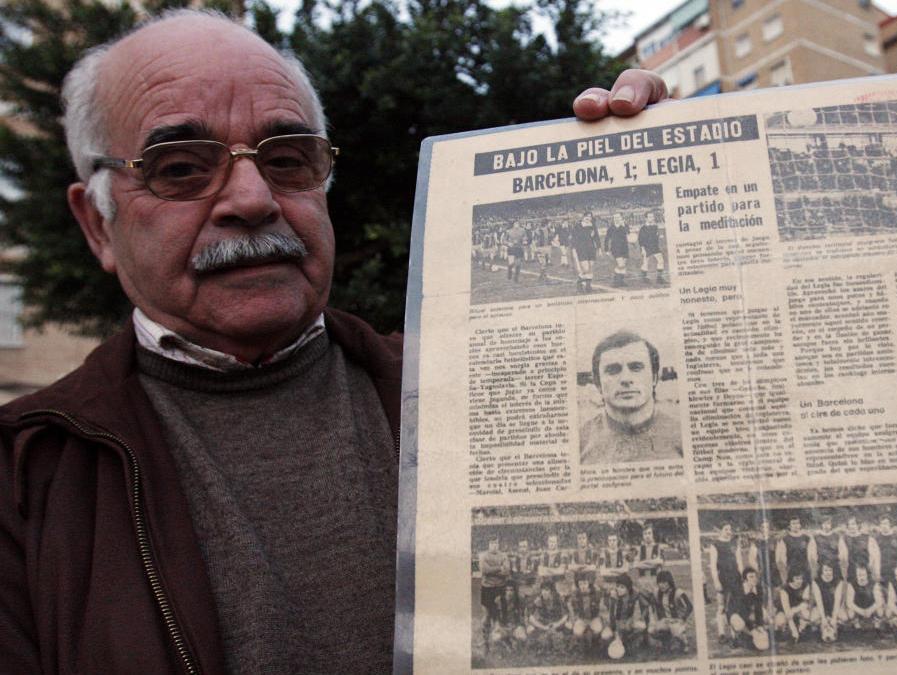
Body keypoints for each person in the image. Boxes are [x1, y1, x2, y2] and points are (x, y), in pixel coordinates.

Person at [0, 8, 669, 671]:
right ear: (96, 223)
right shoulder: (22, 476)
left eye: (288, 159)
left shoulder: (463, 382)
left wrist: (679, 153)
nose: (252, 198)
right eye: (180, 168)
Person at [579, 330, 683, 464]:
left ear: (654, 377)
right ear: (598, 382)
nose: (626, 379)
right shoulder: (580, 442)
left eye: (636, 368)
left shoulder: (682, 436)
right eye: (613, 370)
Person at [707, 522, 742, 640]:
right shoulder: (715, 545)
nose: (729, 532)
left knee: (734, 606)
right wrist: (716, 582)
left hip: (735, 578)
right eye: (726, 529)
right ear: (720, 530)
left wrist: (742, 577)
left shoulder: (734, 543)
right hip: (723, 578)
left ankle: (734, 634)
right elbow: (713, 566)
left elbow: (739, 562)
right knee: (722, 606)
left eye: (730, 529)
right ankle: (721, 633)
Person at [648, 569, 692, 651]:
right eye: (660, 583)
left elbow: (690, 606)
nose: (662, 585)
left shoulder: (678, 592)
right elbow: (654, 605)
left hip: (676, 620)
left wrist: (683, 618)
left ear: (669, 582)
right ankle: (667, 641)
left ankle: (684, 642)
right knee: (652, 630)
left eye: (664, 583)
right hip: (666, 620)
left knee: (677, 631)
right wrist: (657, 620)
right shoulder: (657, 593)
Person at [479, 537, 512, 641]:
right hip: (487, 588)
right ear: (488, 544)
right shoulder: (483, 555)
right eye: (492, 543)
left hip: (500, 587)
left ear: (498, 544)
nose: (494, 545)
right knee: (487, 614)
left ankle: (502, 637)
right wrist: (499, 568)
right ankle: (485, 639)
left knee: (501, 613)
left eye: (496, 543)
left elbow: (506, 571)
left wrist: (492, 571)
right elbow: (484, 570)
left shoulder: (503, 555)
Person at [774, 567, 814, 643]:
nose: (800, 581)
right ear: (791, 578)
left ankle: (801, 626)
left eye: (801, 578)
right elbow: (787, 612)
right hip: (785, 611)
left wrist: (794, 610)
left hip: (798, 610)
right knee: (780, 621)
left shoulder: (805, 585)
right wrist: (794, 631)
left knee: (807, 615)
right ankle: (785, 629)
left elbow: (805, 604)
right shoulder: (784, 589)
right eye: (797, 578)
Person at [571, 211, 600, 292]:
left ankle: (588, 286)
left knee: (590, 268)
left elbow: (596, 237)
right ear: (583, 217)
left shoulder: (593, 226)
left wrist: (599, 248)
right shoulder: (578, 226)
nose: (588, 218)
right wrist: (573, 249)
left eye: (590, 216)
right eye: (586, 216)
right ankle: (579, 283)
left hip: (591, 249)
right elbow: (574, 239)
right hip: (582, 249)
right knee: (586, 269)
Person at [637, 217, 666, 284]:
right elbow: (640, 240)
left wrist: (659, 236)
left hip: (655, 247)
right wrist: (643, 249)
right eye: (650, 217)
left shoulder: (655, 227)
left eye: (652, 217)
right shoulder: (643, 228)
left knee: (661, 261)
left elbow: (655, 236)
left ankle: (659, 278)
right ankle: (644, 278)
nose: (652, 218)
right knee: (645, 263)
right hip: (646, 247)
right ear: (646, 218)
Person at [605, 212, 631, 286]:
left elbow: (628, 234)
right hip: (616, 248)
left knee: (623, 265)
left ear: (621, 218)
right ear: (613, 219)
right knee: (621, 265)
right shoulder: (611, 228)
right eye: (615, 218)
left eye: (618, 217)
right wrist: (606, 249)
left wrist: (623, 226)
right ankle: (615, 281)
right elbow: (607, 239)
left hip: (625, 248)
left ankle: (621, 281)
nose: (617, 219)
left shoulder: (625, 226)